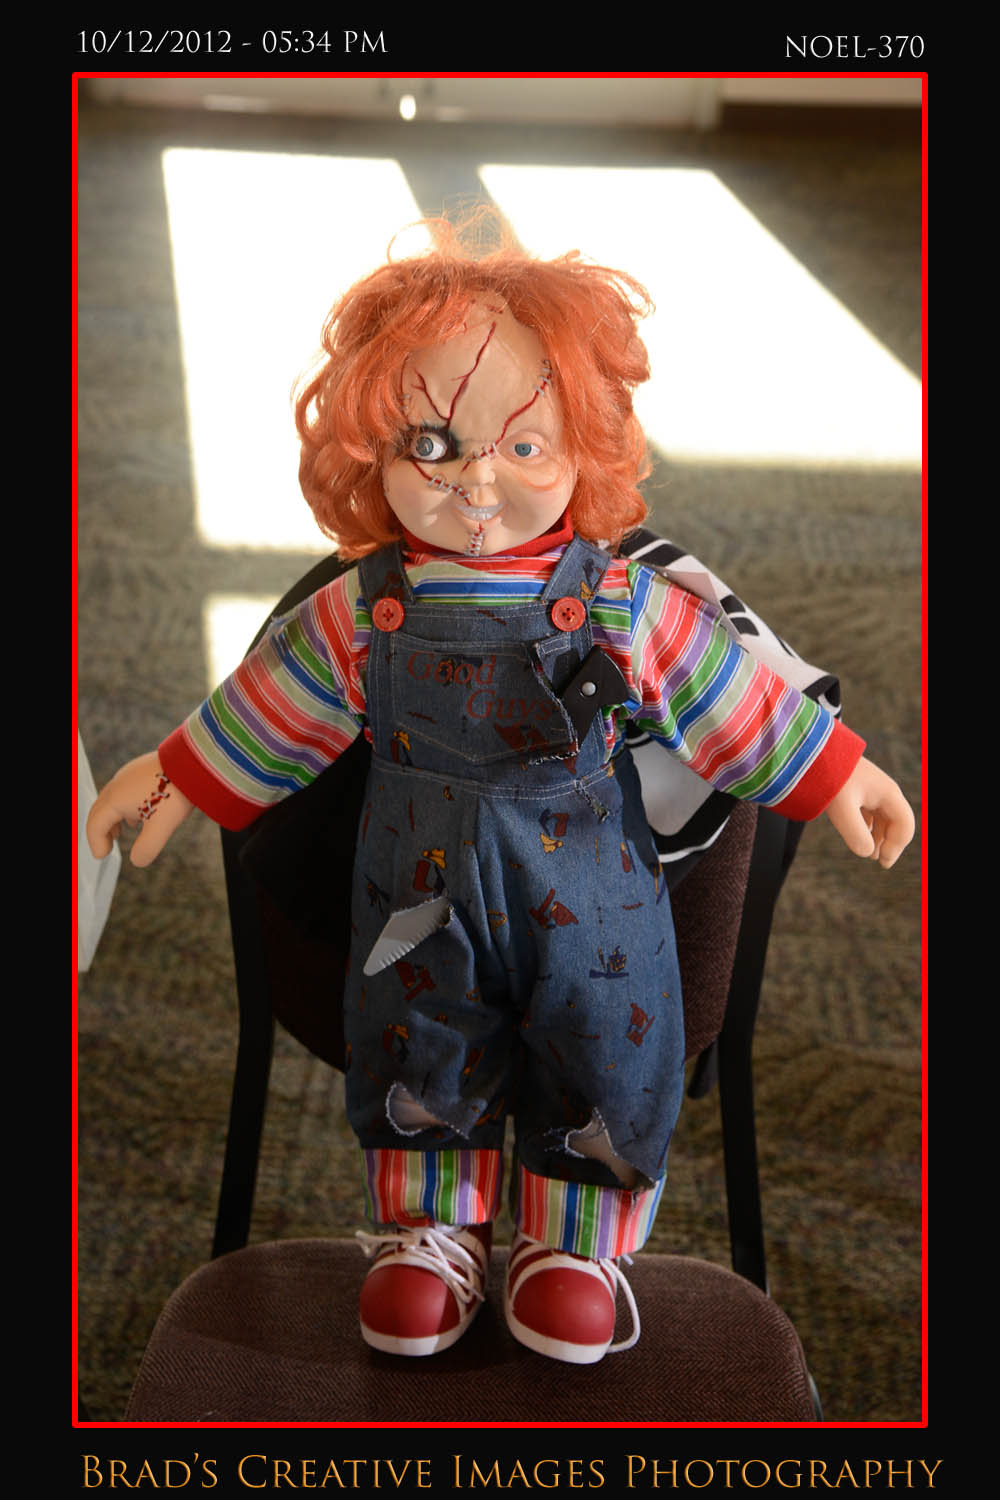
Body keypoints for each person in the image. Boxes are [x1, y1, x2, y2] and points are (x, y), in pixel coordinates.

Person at [87, 221, 914, 1366]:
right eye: (431, 444)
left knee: (603, 1048)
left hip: (593, 893)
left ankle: (572, 1248)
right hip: (418, 888)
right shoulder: (367, 608)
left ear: (585, 449)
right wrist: (181, 772)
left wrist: (833, 771)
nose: (476, 480)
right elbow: (274, 702)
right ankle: (432, 1234)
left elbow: (728, 698)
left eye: (524, 445)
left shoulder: (617, 601)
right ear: (369, 450)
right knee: (418, 1041)